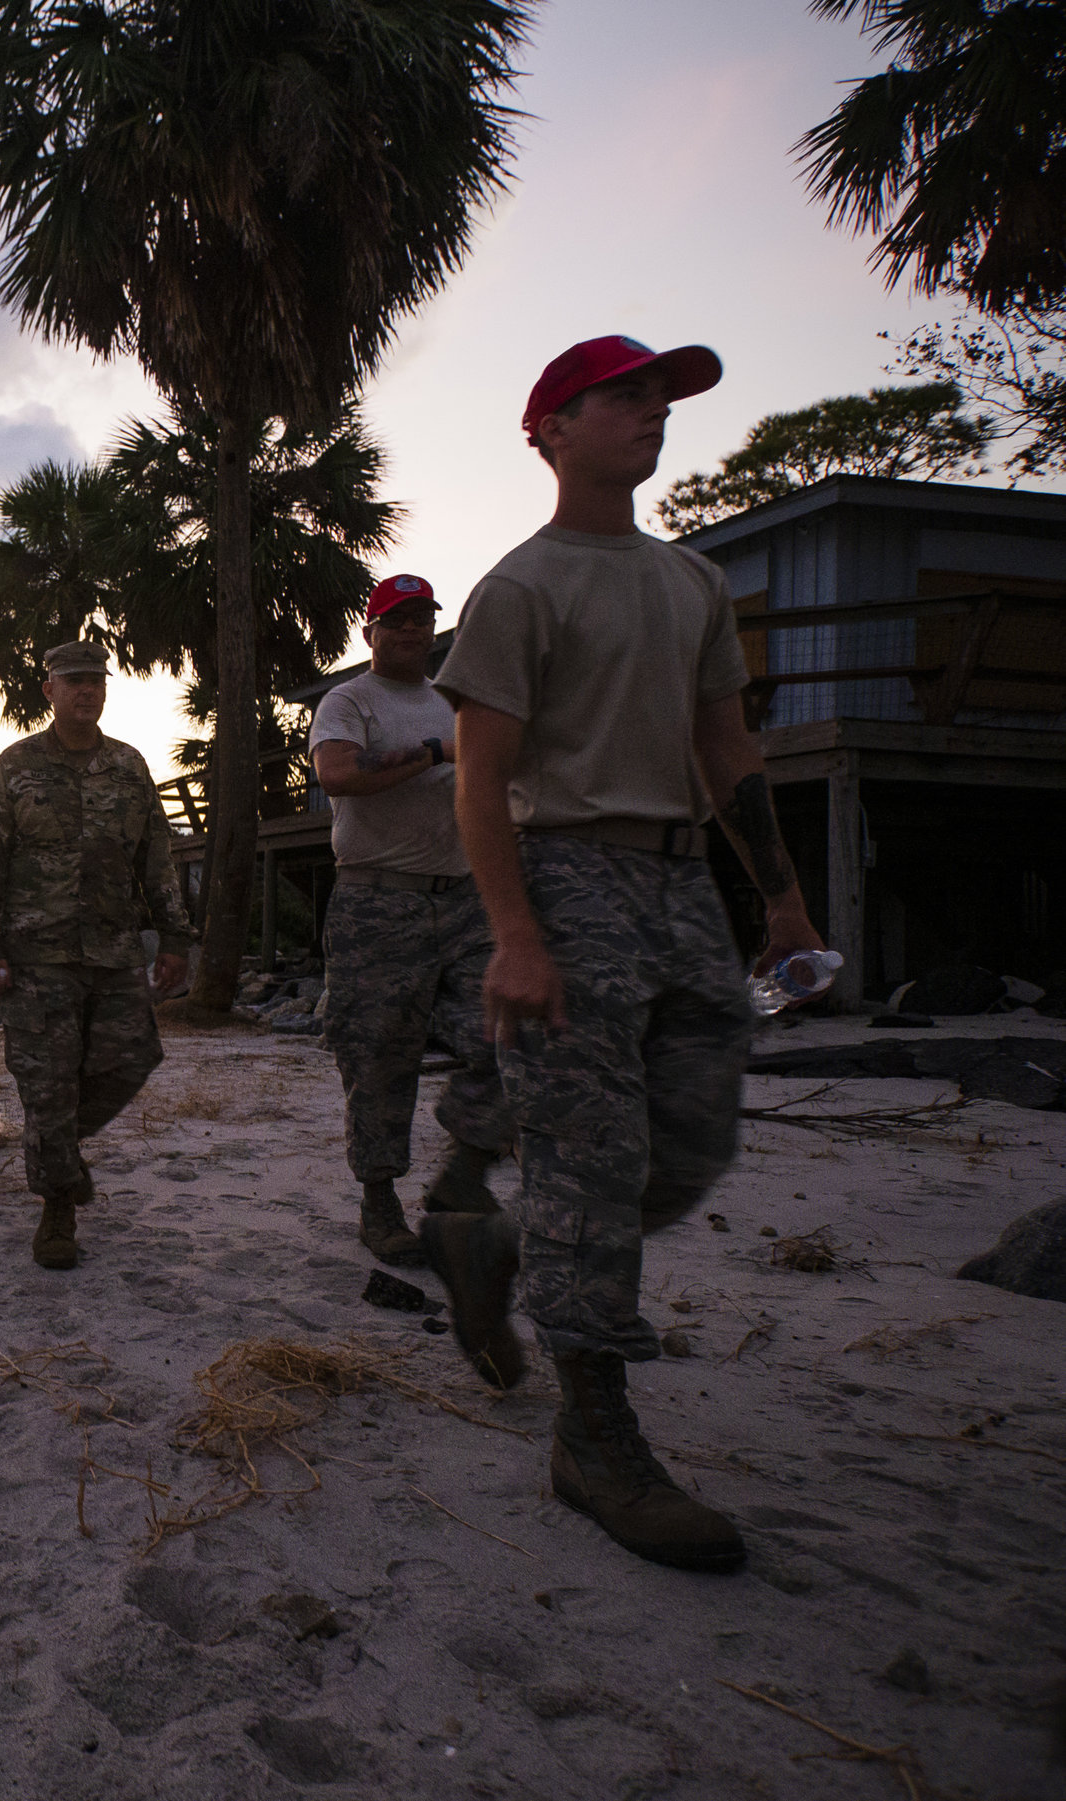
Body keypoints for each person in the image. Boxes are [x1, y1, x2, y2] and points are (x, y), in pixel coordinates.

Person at [427, 335, 826, 1574]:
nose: (651, 414)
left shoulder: (691, 583)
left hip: (677, 883)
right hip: (568, 875)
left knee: (693, 1142)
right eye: (624, 396)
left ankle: (499, 1244)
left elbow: (729, 752)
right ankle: (593, 1437)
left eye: (663, 398)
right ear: (550, 426)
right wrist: (515, 935)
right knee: (592, 1166)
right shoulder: (522, 587)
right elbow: (478, 781)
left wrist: (785, 903)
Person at [0, 642, 194, 1269]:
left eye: (95, 681)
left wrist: (174, 936)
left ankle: (56, 1141)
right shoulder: (16, 766)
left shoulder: (127, 766)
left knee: (134, 1057)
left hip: (113, 951)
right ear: (50, 690)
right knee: (46, 1082)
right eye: (73, 681)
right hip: (37, 956)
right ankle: (58, 1203)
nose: (86, 691)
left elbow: (155, 857)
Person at [308, 574, 512, 1267]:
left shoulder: (457, 703)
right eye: (396, 620)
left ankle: (465, 1170)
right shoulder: (348, 701)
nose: (412, 631)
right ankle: (380, 1201)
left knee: (510, 1034)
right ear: (370, 632)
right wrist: (433, 753)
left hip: (463, 898)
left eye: (423, 619)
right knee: (379, 1057)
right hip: (377, 902)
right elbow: (336, 773)